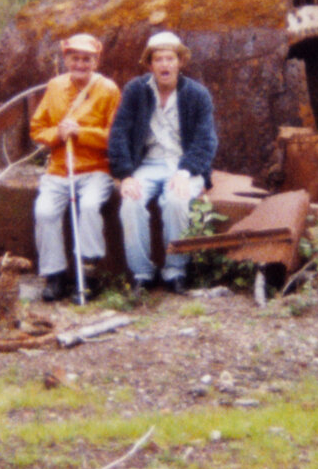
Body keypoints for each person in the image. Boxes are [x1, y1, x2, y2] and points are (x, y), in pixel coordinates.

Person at [108, 30, 218, 292]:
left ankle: (175, 270)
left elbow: (206, 140)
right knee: (130, 203)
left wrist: (187, 171)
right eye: (158, 60)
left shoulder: (197, 94)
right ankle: (142, 274)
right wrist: (125, 174)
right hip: (147, 165)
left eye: (170, 59)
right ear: (150, 64)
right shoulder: (136, 90)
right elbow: (119, 133)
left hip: (182, 165)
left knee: (177, 201)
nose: (165, 65)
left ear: (180, 62)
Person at [28, 33, 120, 302]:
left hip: (95, 169)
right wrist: (58, 134)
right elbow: (37, 128)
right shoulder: (55, 86)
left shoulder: (109, 90)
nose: (80, 64)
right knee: (44, 211)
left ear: (95, 61)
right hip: (59, 170)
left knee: (90, 206)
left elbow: (115, 137)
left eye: (86, 59)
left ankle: (88, 272)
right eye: (75, 58)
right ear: (66, 59)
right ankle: (54, 276)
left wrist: (81, 133)